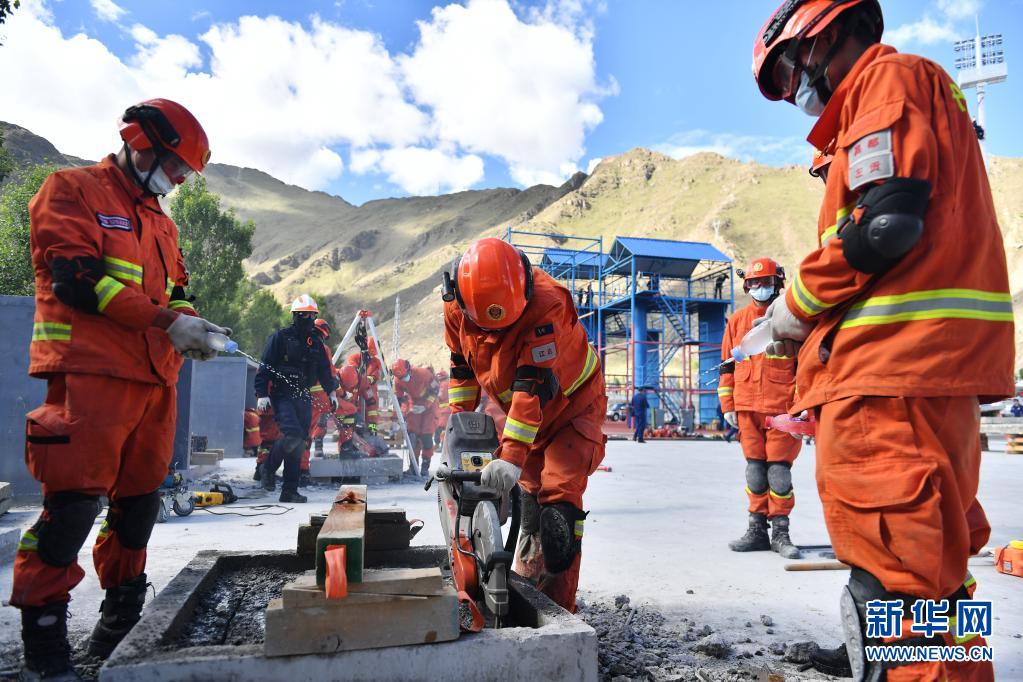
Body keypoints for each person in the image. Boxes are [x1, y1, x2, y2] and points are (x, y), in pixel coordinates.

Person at [752, 1, 1010, 679]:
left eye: (788, 72)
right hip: (928, 379)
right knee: (934, 573)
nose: (793, 93)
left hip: (888, 383)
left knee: (895, 585)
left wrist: (793, 309)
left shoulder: (884, 83)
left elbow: (883, 226)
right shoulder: (920, 93)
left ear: (826, 37)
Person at [11, 98, 231, 678]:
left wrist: (193, 326)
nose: (179, 179)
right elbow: (77, 280)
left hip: (155, 381)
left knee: (138, 509)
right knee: (71, 511)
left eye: (186, 172)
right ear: (141, 143)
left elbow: (175, 292)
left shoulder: (162, 223)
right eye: (176, 165)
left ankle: (119, 631)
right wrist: (166, 322)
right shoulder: (72, 190)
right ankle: (45, 651)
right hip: (90, 376)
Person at [444, 237, 607, 612]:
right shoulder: (456, 306)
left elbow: (532, 385)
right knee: (530, 506)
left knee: (559, 512)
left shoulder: (548, 305)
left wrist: (511, 456)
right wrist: (457, 431)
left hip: (574, 408)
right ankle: (527, 590)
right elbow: (462, 366)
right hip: (529, 415)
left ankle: (558, 610)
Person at [718, 258, 801, 559]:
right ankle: (756, 530)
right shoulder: (736, 321)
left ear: (777, 284)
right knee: (754, 470)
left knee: (778, 472)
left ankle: (781, 532)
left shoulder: (790, 320)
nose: (759, 287)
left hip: (783, 410)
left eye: (765, 282)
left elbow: (804, 366)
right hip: (746, 407)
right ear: (746, 286)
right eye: (754, 282)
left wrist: (802, 405)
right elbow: (728, 365)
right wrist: (728, 404)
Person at [255, 295, 338, 503]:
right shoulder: (280, 338)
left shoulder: (316, 344)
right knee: (292, 435)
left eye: (310, 315)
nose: (306, 318)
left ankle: (289, 491)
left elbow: (324, 371)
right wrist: (262, 394)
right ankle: (267, 468)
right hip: (282, 395)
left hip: (304, 396)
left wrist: (332, 392)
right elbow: (265, 366)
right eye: (302, 314)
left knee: (300, 441)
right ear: (294, 315)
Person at [391, 359, 440, 476]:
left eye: (405, 376)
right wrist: (396, 417)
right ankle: (414, 467)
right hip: (414, 404)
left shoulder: (423, 374)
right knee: (413, 436)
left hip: (429, 406)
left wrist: (425, 406)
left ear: (409, 370)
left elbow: (435, 390)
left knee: (426, 437)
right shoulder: (398, 380)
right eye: (401, 378)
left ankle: (425, 468)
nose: (404, 379)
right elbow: (398, 399)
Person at [434, 370, 450, 447]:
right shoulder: (448, 383)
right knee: (444, 428)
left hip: (443, 410)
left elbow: (441, 396)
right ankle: (442, 445)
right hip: (446, 410)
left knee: (441, 428)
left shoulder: (443, 385)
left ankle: (442, 445)